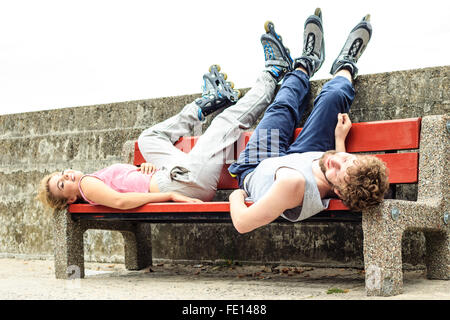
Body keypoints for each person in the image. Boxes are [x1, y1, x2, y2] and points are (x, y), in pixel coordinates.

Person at [36, 18, 296, 211]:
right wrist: (169, 196)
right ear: (70, 199)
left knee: (148, 139)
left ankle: (205, 104)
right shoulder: (87, 186)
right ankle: (272, 73)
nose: (67, 176)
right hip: (180, 183)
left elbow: (126, 187)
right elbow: (120, 200)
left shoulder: (93, 182)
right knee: (224, 125)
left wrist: (144, 171)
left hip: (171, 175)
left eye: (62, 173)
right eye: (62, 184)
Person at [227, 10, 390, 234]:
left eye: (338, 169)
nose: (336, 160)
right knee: (332, 98)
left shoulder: (292, 185)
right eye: (347, 159)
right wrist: (339, 140)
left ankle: (304, 64)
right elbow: (339, 168)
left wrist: (237, 196)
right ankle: (345, 65)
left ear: (338, 192)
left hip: (258, 165)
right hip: (306, 157)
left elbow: (243, 224)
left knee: (282, 107)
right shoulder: (341, 179)